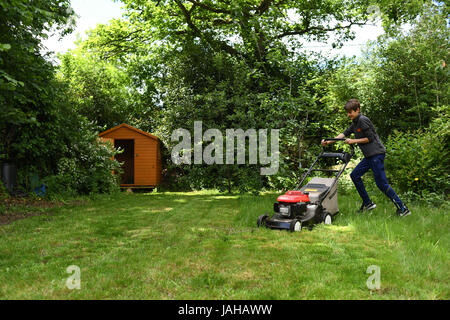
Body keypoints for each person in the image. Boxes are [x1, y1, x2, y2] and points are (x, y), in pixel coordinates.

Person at [322, 99, 411, 217]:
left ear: (357, 110)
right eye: (347, 112)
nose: (348, 115)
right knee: (354, 175)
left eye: (350, 112)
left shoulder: (363, 120)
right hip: (369, 157)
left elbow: (370, 138)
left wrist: (353, 141)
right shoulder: (354, 123)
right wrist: (328, 142)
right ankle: (367, 203)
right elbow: (343, 135)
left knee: (382, 184)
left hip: (376, 155)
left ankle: (403, 208)